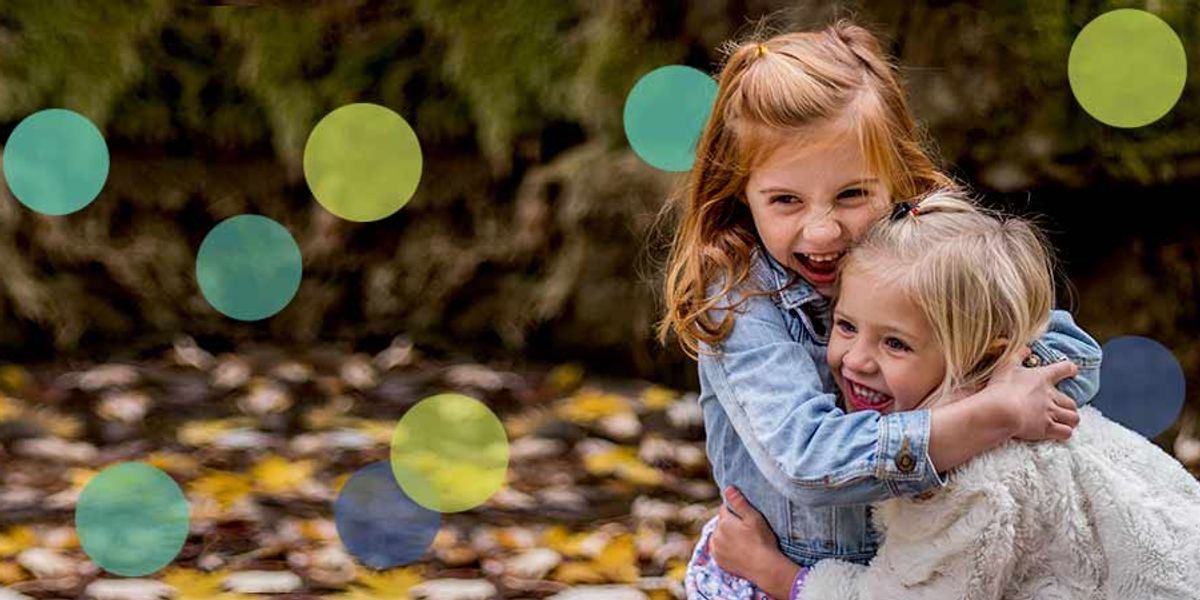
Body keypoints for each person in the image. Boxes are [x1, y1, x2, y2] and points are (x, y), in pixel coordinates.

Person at [653, 20, 1103, 599]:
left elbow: (1075, 359)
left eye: (852, 194)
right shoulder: (741, 298)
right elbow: (809, 461)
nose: (822, 230)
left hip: (921, 570)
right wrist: (988, 415)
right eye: (785, 200)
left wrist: (976, 380)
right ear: (741, 190)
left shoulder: (925, 254)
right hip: (788, 575)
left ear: (895, 179)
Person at [709, 190, 1200, 598]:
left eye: (896, 343)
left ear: (981, 356)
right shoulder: (1016, 396)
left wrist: (775, 574)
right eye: (844, 324)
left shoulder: (974, 478)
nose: (856, 359)